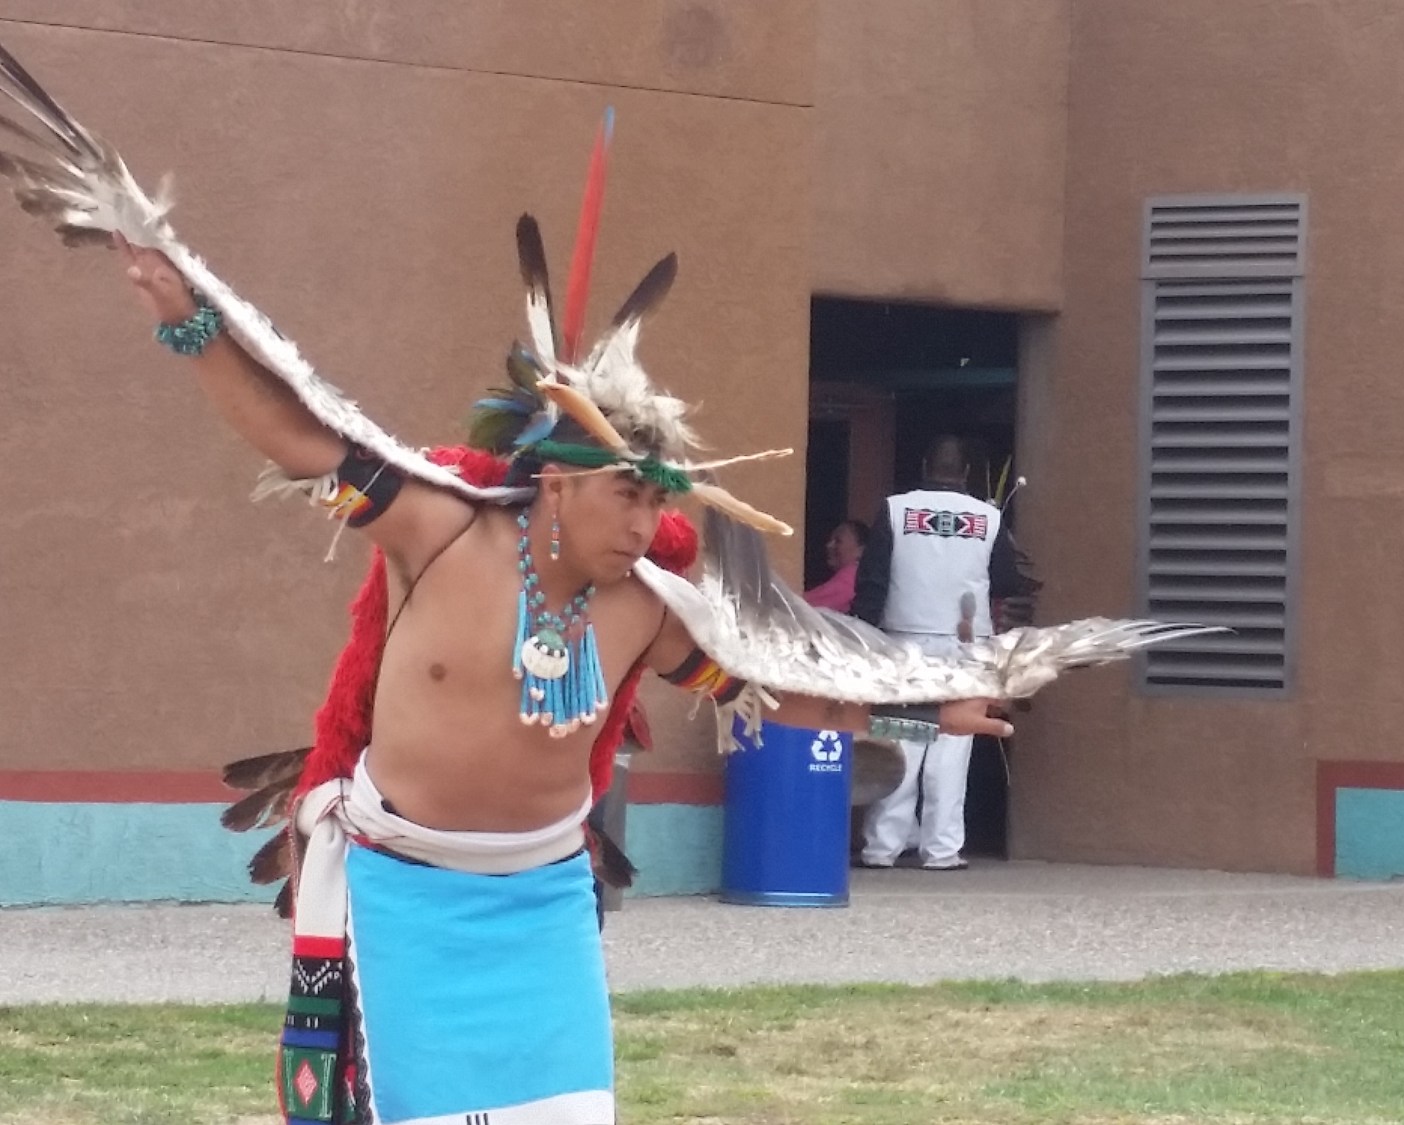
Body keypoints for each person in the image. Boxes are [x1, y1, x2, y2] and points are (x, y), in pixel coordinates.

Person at [0, 52, 1213, 1124]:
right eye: (629, 495)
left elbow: (770, 691)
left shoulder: (649, 610)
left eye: (658, 500)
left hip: (541, 906)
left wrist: (921, 712)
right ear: (557, 484)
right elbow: (295, 435)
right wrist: (186, 321)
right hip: (400, 891)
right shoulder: (435, 530)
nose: (649, 523)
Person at [852, 435, 1034, 870]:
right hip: (965, 645)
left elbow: (872, 582)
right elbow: (1007, 582)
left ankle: (882, 847)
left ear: (924, 466)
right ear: (966, 472)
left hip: (903, 640)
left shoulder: (895, 510)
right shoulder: (988, 517)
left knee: (901, 740)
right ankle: (942, 850)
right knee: (952, 745)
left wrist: (861, 639)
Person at [802, 518, 867, 613]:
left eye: (838, 541)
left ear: (861, 551)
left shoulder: (852, 576)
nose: (829, 545)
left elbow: (801, 604)